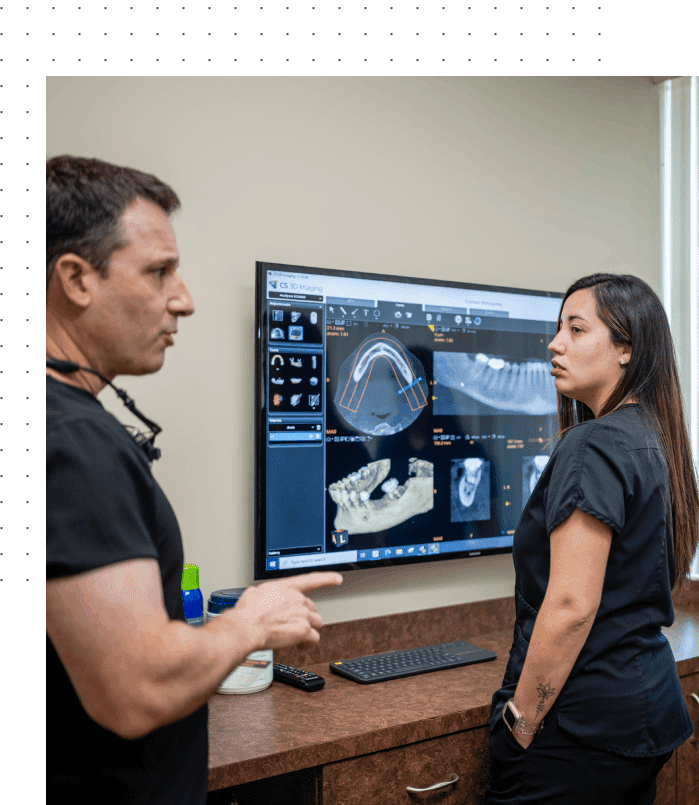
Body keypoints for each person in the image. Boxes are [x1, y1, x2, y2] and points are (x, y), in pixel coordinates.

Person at [45, 155, 343, 804]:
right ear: (75, 279)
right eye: (158, 272)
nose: (184, 298)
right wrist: (251, 620)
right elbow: (136, 689)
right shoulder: (72, 442)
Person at [484, 273, 698, 805]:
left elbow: (573, 604)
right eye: (559, 329)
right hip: (644, 708)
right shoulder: (656, 437)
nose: (555, 344)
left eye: (576, 330)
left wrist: (521, 722)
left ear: (626, 348)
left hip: (583, 727)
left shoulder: (591, 445)